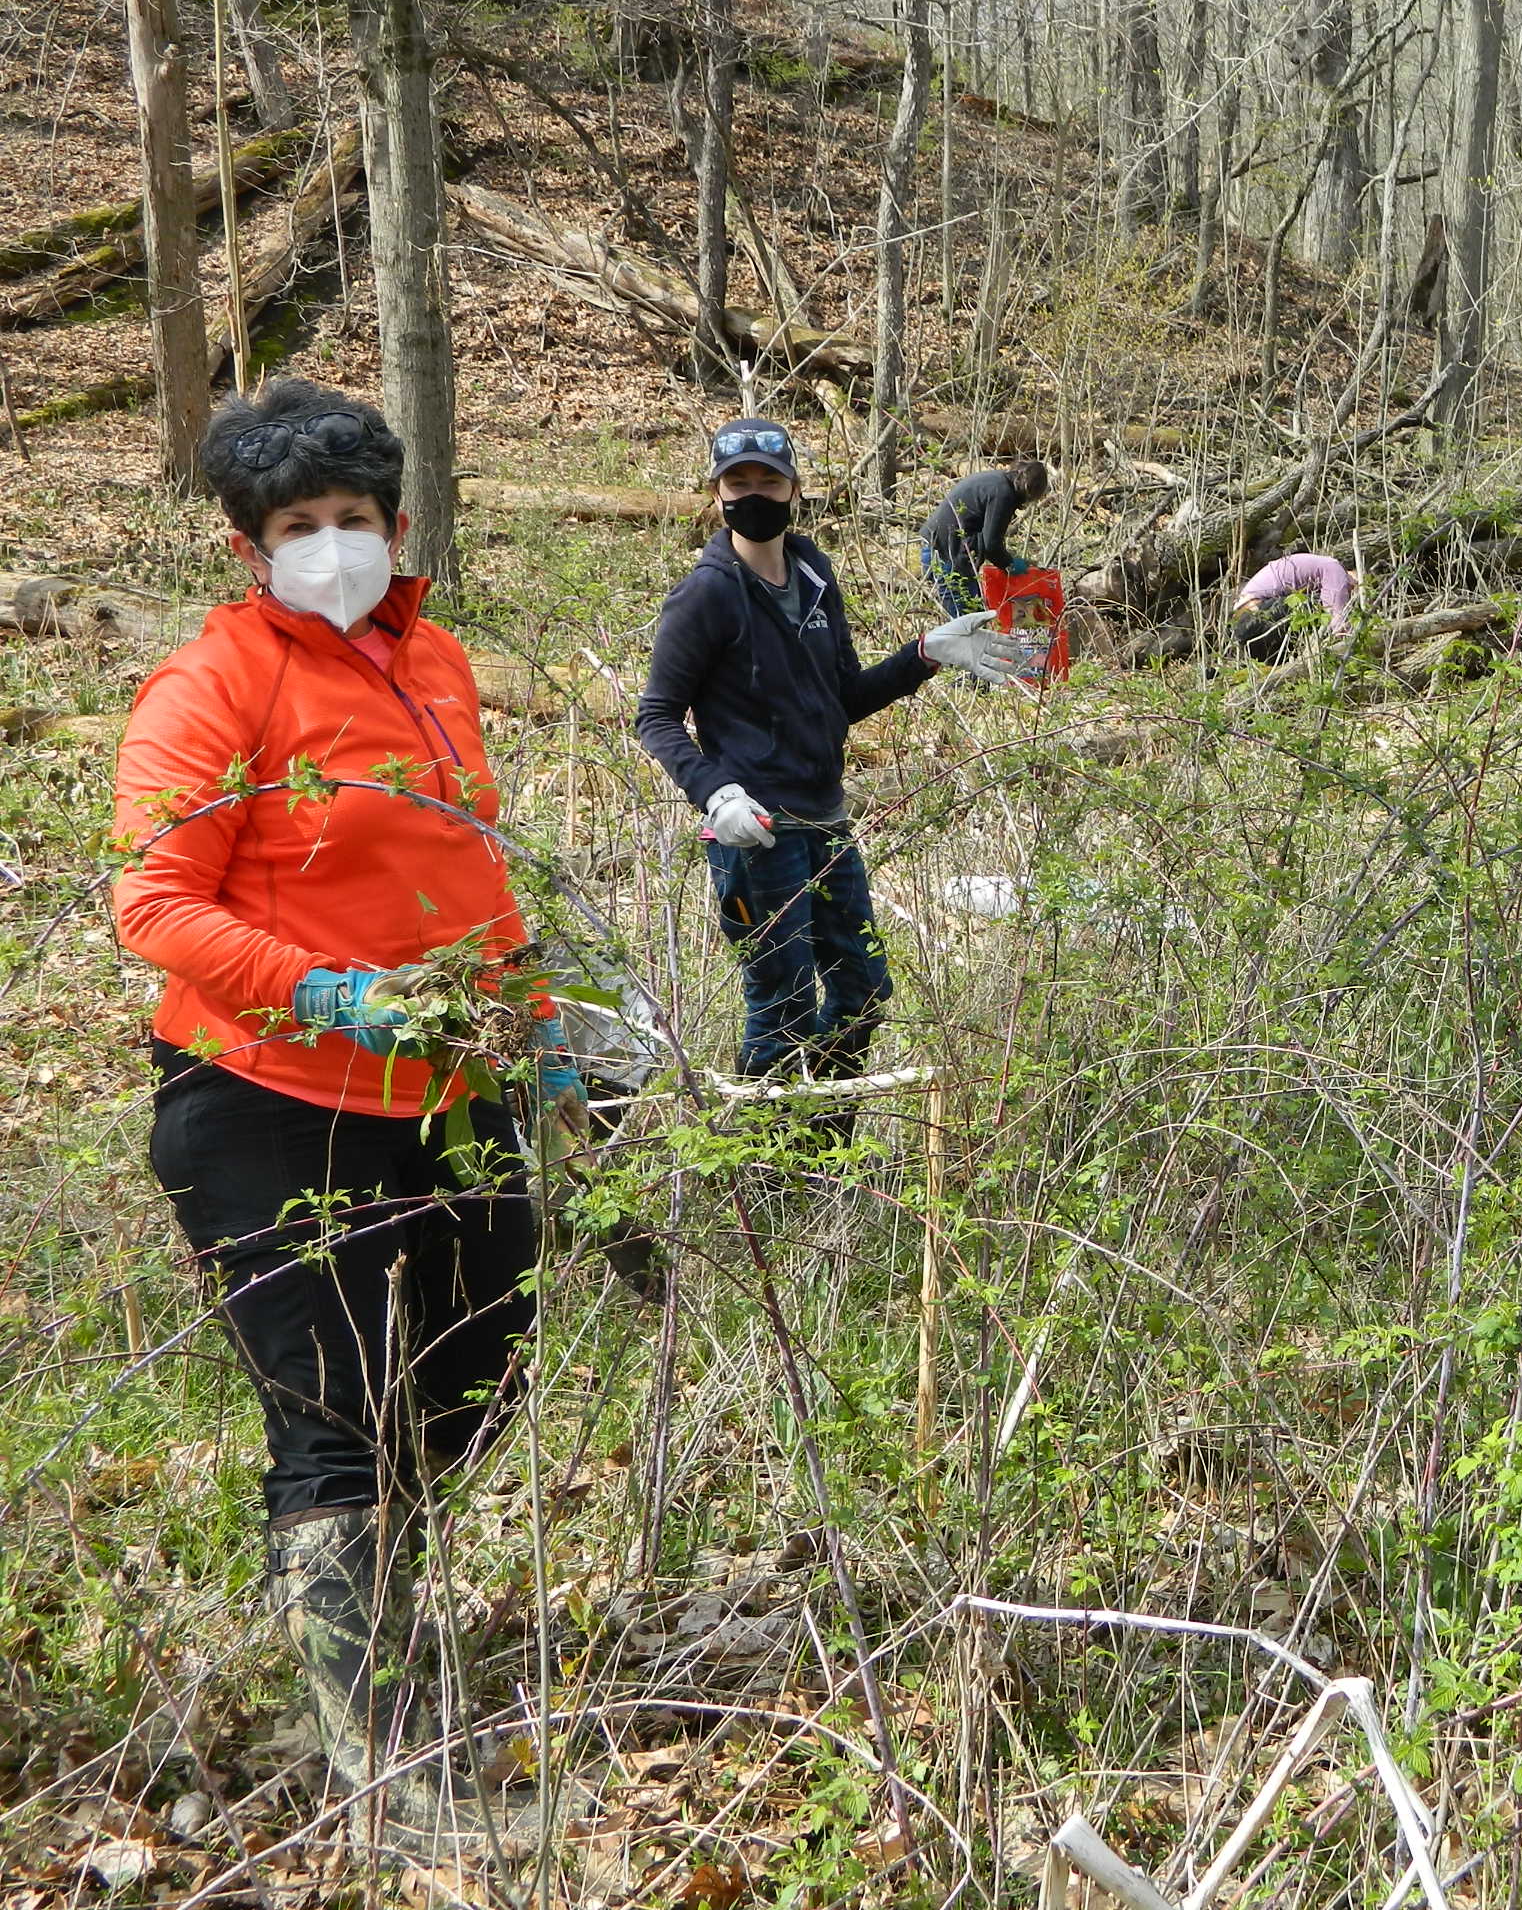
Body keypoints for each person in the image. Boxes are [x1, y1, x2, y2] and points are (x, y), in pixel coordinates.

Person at [109, 378, 583, 1850]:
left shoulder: (431, 659)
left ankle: (378, 1601)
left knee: (481, 1366)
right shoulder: (213, 688)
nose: (330, 546)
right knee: (328, 1420)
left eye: (353, 520)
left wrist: (543, 1034)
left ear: (395, 524)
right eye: (297, 526)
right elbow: (151, 900)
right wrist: (321, 994)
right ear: (251, 546)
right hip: (261, 1098)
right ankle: (385, 1781)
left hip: (448, 1083)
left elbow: (471, 872)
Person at [637, 419, 1022, 1078]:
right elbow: (657, 717)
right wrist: (717, 793)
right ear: (716, 493)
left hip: (826, 821)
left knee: (863, 992)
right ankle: (767, 1175)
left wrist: (924, 654)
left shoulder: (814, 572)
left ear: (794, 489)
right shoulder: (705, 595)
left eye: (769, 480)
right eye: (739, 482)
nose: (754, 493)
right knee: (781, 1008)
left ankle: (822, 1147)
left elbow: (843, 696)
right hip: (756, 835)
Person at [920, 457, 1053, 625]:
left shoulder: (995, 482)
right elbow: (991, 545)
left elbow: (988, 537)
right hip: (945, 556)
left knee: (973, 618)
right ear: (1029, 490)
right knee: (966, 627)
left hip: (940, 548)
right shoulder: (1003, 494)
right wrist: (1011, 565)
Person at [1229, 551, 1355, 661]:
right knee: (1316, 608)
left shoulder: (1320, 569)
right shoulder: (1335, 570)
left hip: (1244, 625)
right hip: (1252, 617)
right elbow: (1338, 622)